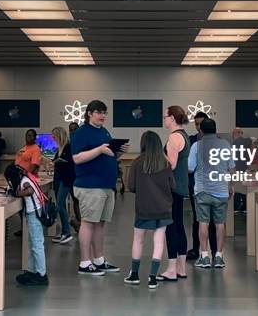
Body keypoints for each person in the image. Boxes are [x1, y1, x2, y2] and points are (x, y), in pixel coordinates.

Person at [71, 100, 128, 276]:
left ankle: (99, 260)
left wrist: (119, 151)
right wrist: (99, 150)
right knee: (88, 222)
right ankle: (85, 262)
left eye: (104, 112)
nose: (102, 115)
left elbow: (108, 154)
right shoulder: (81, 133)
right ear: (89, 113)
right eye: (99, 112)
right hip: (90, 186)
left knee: (100, 224)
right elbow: (77, 158)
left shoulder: (104, 131)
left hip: (106, 185)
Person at [124, 131, 174, 289]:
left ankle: (134, 274)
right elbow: (173, 186)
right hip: (163, 208)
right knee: (159, 241)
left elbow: (130, 186)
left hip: (143, 208)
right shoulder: (165, 163)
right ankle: (152, 278)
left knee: (138, 240)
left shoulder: (137, 163)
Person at [188, 118, 234, 268]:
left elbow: (190, 168)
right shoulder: (225, 145)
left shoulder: (197, 146)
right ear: (216, 130)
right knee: (220, 224)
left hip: (202, 191)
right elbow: (231, 168)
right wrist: (230, 186)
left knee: (203, 223)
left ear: (200, 130)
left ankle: (205, 256)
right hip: (221, 191)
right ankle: (219, 257)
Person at [157, 105, 190, 282]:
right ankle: (181, 268)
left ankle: (170, 269)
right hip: (181, 187)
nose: (164, 120)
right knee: (179, 227)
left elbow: (171, 164)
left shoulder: (173, 138)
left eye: (165, 117)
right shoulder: (184, 136)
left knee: (171, 227)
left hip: (172, 188)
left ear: (172, 118)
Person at [5, 164, 49, 286]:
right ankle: (32, 270)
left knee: (37, 244)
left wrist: (16, 193)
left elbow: (29, 191)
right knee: (32, 244)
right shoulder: (27, 177)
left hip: (34, 214)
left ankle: (41, 275)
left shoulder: (24, 181)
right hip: (35, 213)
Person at [186, 112, 217, 261]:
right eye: (196, 124)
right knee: (198, 219)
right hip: (195, 185)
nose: (198, 127)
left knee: (213, 219)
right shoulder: (191, 140)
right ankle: (196, 249)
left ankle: (215, 250)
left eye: (201, 124)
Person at [51, 126, 75, 245]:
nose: (53, 138)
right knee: (61, 206)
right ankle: (65, 231)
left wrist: (61, 162)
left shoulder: (68, 147)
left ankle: (67, 232)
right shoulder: (59, 149)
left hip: (66, 179)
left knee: (60, 205)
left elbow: (71, 162)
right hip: (60, 179)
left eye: (54, 136)